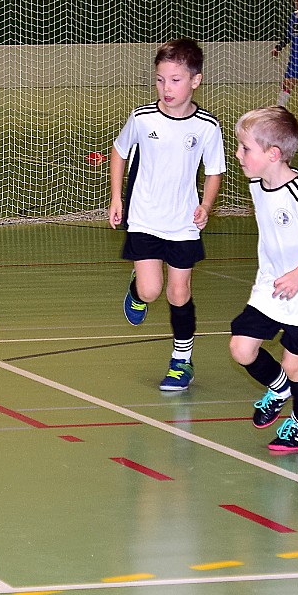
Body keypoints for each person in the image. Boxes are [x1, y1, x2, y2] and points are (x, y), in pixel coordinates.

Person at [108, 38, 226, 392]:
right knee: (150, 291)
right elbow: (119, 151)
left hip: (183, 223)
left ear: (195, 80)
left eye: (175, 80)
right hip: (144, 217)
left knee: (179, 293)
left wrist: (206, 206)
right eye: (160, 80)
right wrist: (116, 198)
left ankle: (181, 361)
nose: (166, 88)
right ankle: (137, 290)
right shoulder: (142, 118)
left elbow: (214, 171)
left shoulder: (207, 126)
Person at [228, 107, 298, 453]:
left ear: (273, 154)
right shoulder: (258, 183)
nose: (238, 154)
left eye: (245, 148)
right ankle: (279, 387)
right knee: (242, 348)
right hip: (273, 283)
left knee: (295, 364)